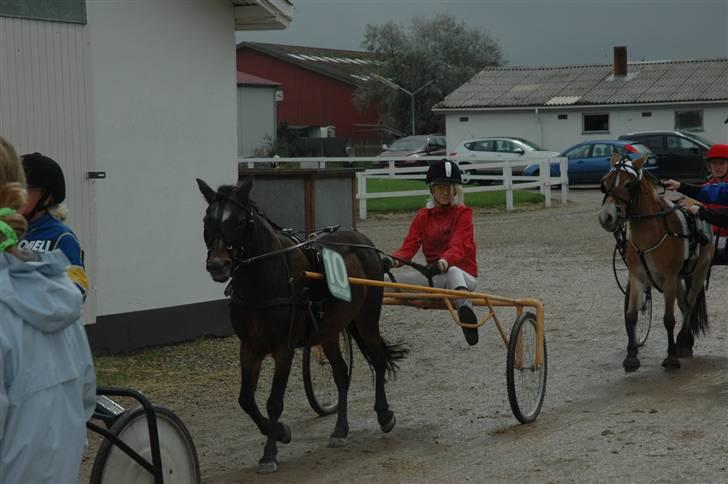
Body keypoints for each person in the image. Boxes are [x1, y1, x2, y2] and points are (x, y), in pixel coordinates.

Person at [0, 137, 96, 483]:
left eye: (30, 189)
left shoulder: (61, 237)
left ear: (47, 196)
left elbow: (74, 287)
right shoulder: (19, 237)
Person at [384, 159, 480, 345]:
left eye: (449, 187)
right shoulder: (423, 216)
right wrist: (390, 261)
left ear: (456, 190)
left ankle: (465, 311)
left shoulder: (463, 213)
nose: (445, 192)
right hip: (435, 279)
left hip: (463, 279)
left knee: (452, 271)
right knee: (382, 281)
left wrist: (443, 262)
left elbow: (458, 246)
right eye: (440, 187)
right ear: (431, 189)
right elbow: (407, 249)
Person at [17, 152, 88, 299]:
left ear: (47, 197)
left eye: (25, 189)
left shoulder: (61, 237)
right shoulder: (7, 233)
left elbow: (76, 292)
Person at [664, 144, 728, 241]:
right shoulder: (706, 187)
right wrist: (679, 187)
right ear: (709, 166)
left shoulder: (715, 190)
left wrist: (700, 212)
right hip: (709, 238)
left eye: (722, 163)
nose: (717, 167)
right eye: (714, 163)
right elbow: (703, 192)